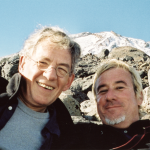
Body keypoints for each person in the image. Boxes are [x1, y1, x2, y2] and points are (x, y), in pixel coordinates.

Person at [0, 26, 81, 150]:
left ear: (69, 81)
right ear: (22, 64)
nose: (50, 75)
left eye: (62, 69)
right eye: (42, 63)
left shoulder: (67, 139)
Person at [71, 59, 150, 150]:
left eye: (119, 87)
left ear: (139, 97)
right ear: (96, 102)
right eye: (103, 91)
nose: (109, 96)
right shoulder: (77, 139)